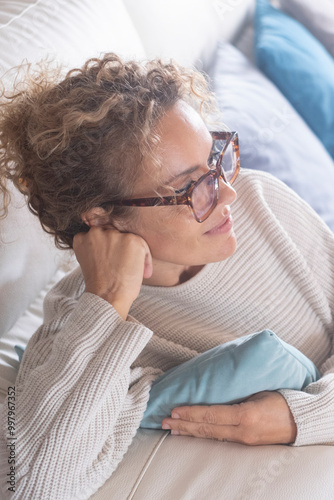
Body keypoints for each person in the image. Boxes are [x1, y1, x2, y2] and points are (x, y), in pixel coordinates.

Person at [0, 52, 334, 499]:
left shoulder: (261, 202)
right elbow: (33, 484)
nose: (228, 193)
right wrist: (109, 300)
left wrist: (302, 416)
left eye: (216, 161)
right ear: (103, 218)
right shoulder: (80, 322)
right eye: (191, 187)